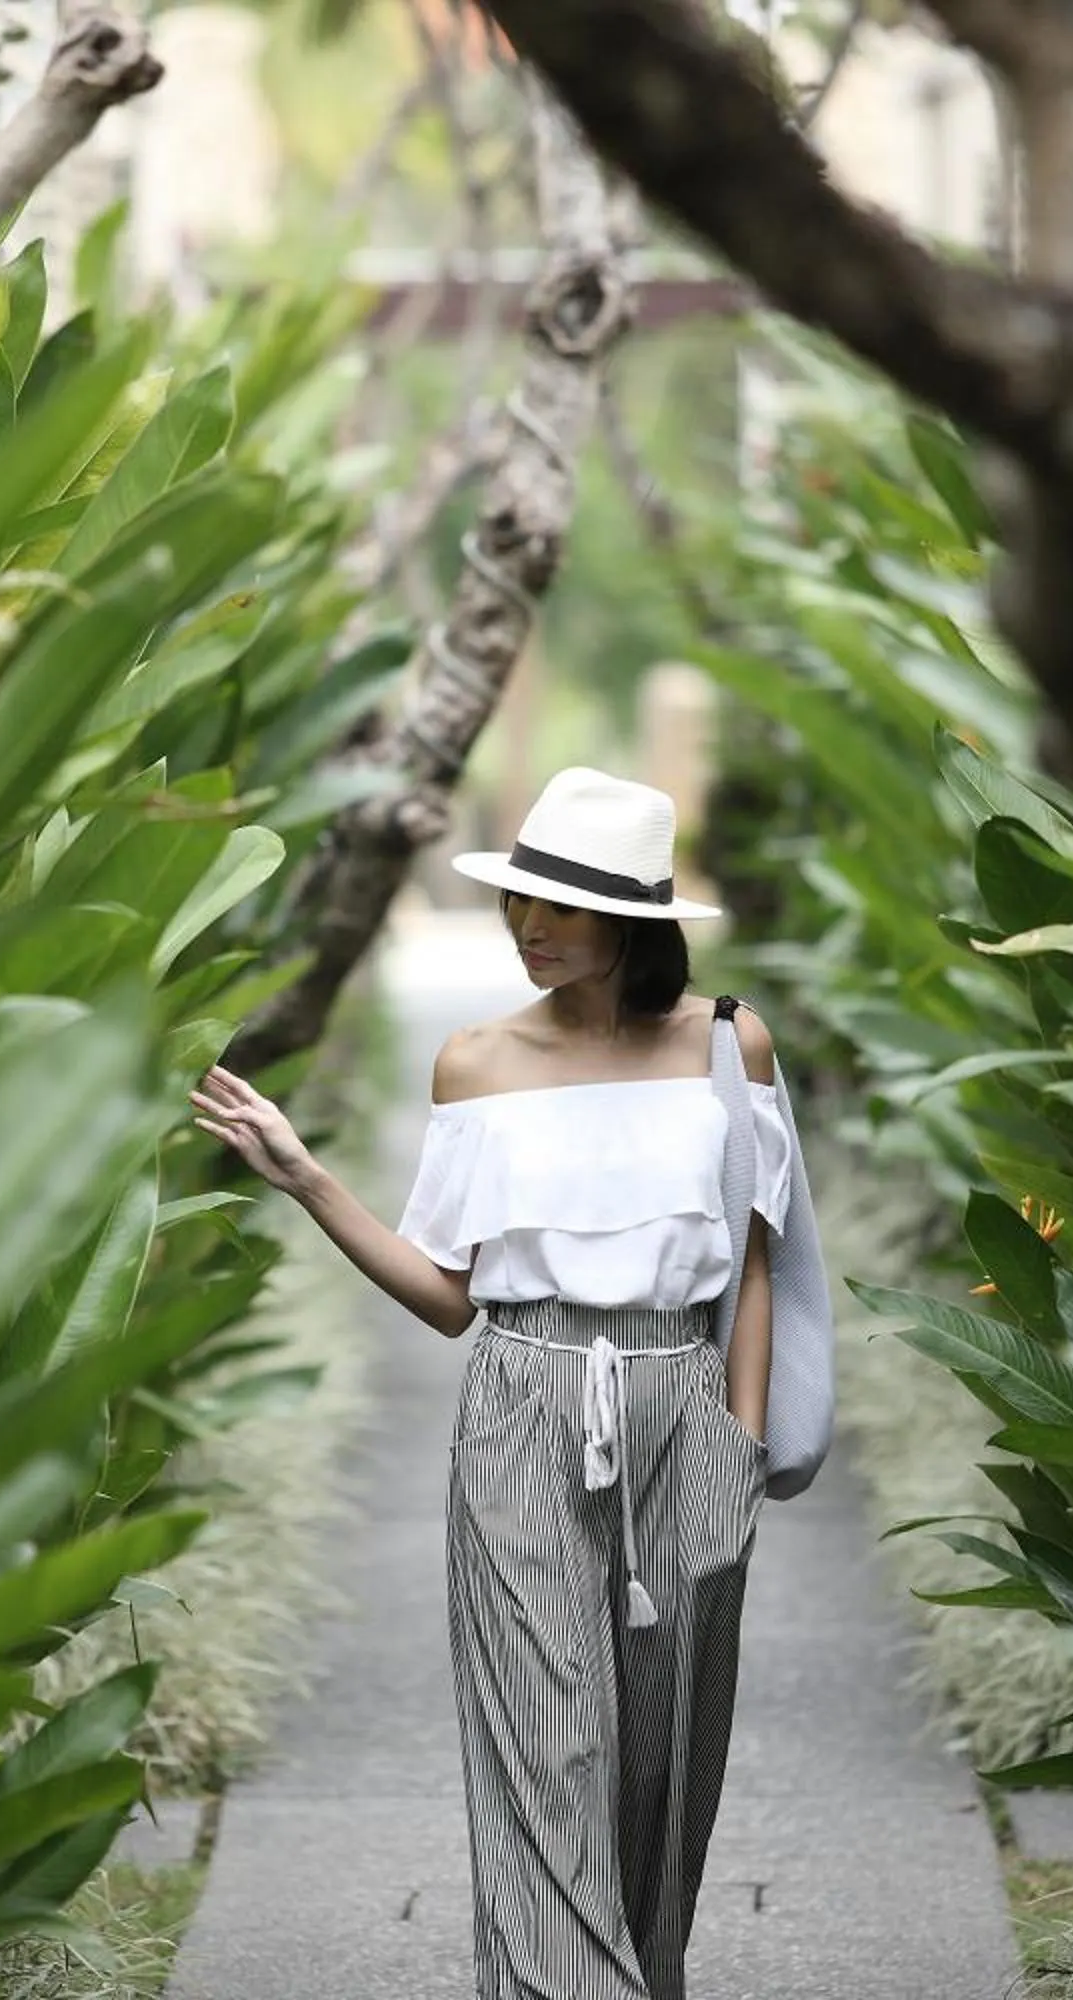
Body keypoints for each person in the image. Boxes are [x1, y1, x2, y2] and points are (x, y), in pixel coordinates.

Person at [192, 766, 833, 2000]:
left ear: (630, 923)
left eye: (562, 908)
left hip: (681, 1403)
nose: (529, 927)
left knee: (660, 1765)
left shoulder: (726, 1041)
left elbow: (752, 1264)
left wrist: (737, 1448)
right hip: (523, 1407)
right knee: (546, 1748)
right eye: (518, 904)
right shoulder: (475, 1062)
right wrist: (308, 1176)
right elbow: (447, 1294)